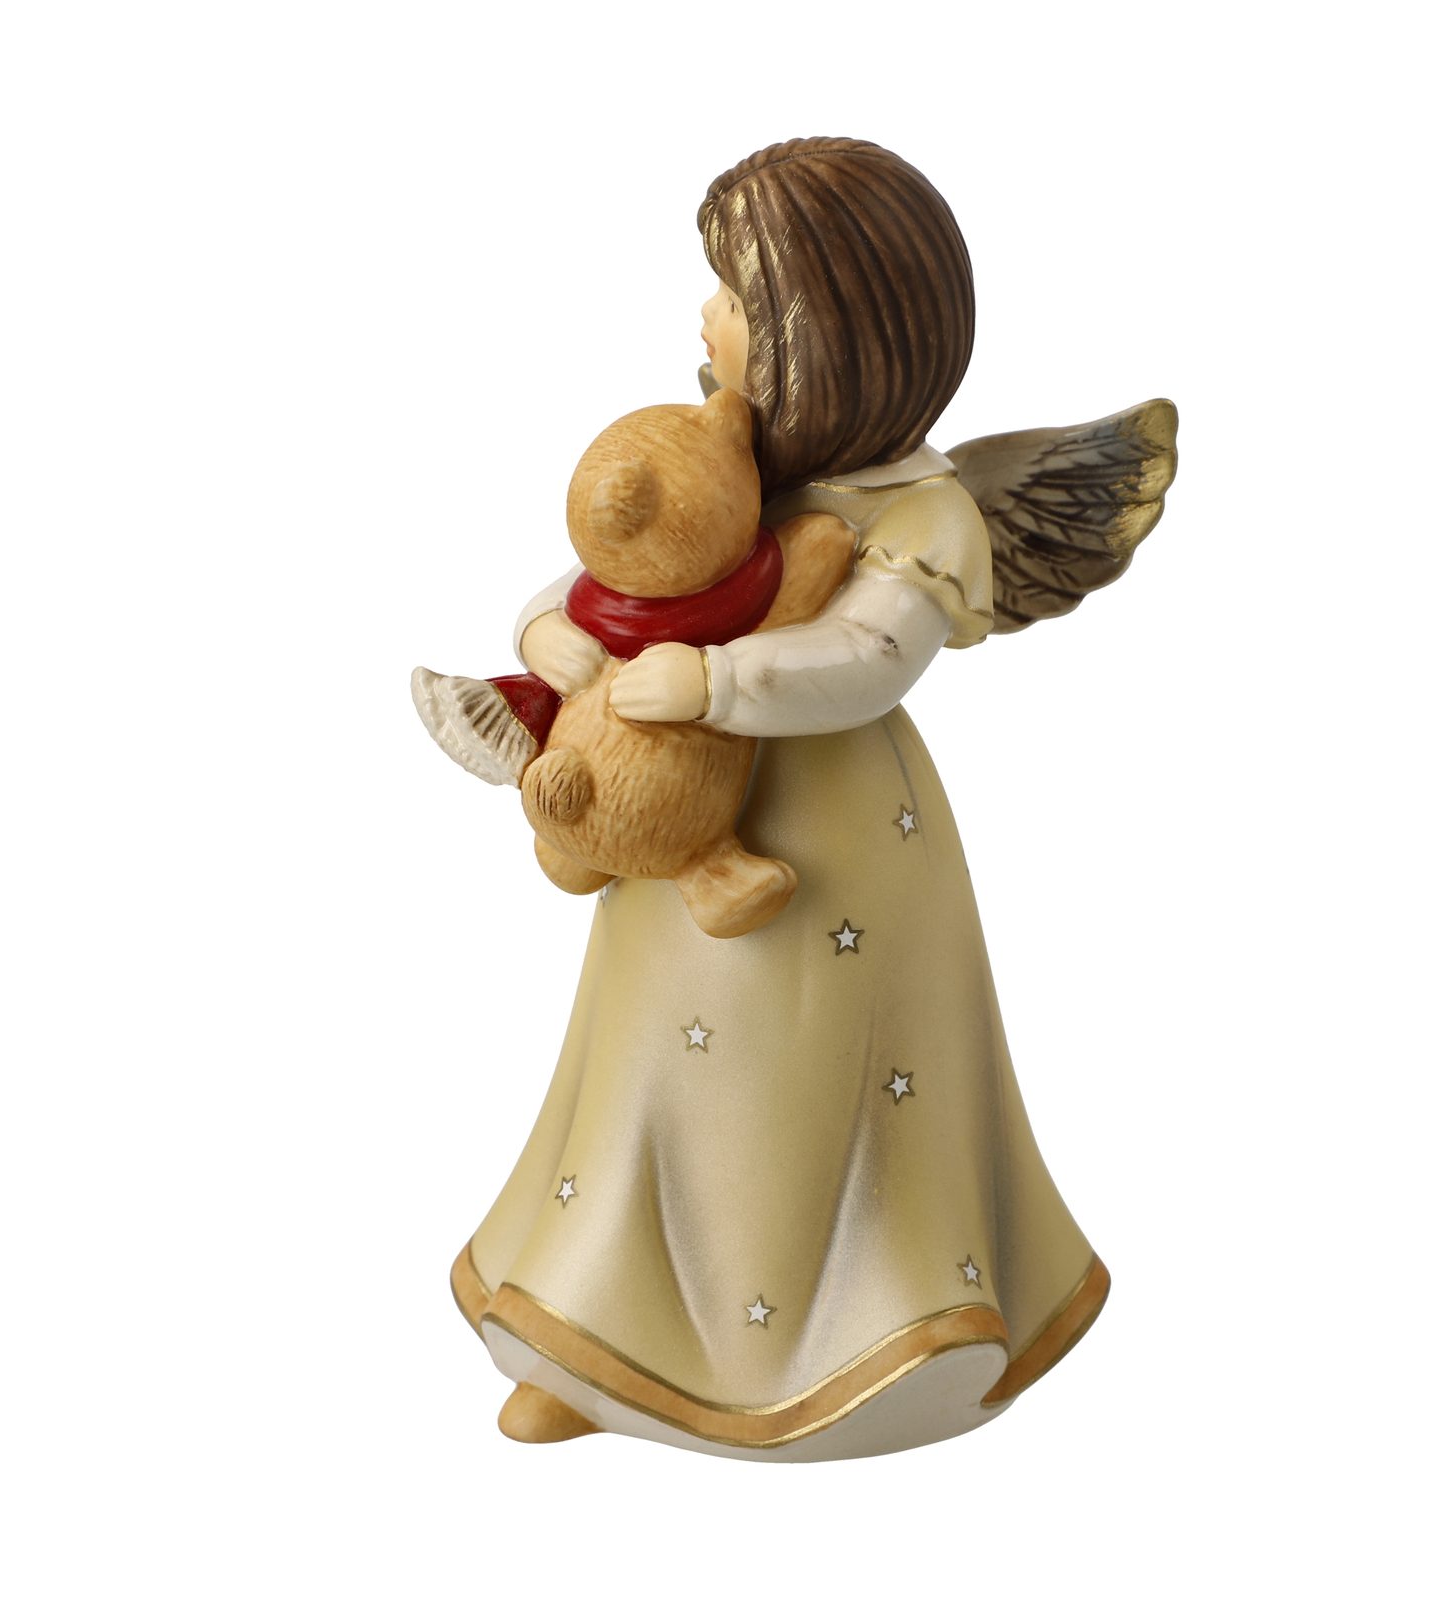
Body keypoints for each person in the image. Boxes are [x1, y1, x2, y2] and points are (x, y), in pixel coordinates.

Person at [422, 139, 1114, 1460]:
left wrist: (717, 681)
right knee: (643, 1077)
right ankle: (594, 1343)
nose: (706, 317)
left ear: (825, 335)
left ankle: (860, 1340)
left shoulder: (917, 511)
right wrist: (551, 634)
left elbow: (873, 653)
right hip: (665, 843)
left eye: (737, 298)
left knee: (814, 1087)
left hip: (833, 839)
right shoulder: (728, 464)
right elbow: (600, 573)